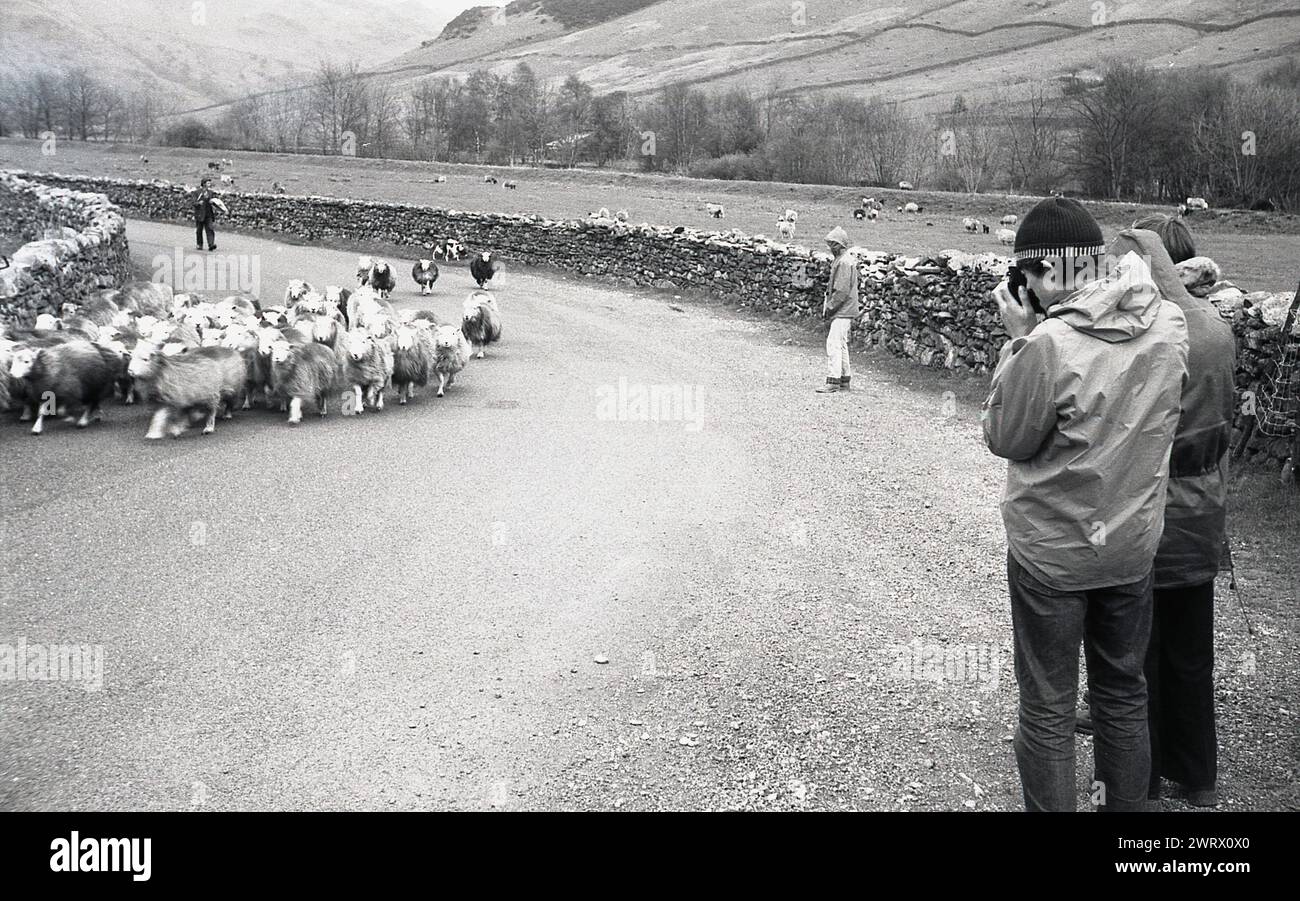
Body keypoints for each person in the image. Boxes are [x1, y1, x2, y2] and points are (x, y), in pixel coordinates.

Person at [981, 197, 1189, 811]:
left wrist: (1019, 344)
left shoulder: (1047, 342)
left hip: (1053, 553)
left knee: (1047, 707)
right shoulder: (1169, 324)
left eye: (1026, 276)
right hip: (1131, 549)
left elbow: (1007, 437)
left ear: (1046, 274)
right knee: (1123, 697)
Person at [1120, 216, 1236, 808]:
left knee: (1136, 656)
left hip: (1149, 510)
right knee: (1191, 650)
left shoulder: (1150, 334)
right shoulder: (1216, 328)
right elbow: (1225, 416)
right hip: (1204, 506)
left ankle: (1138, 781)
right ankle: (1198, 778)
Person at [816, 226, 859, 394]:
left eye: (833, 244)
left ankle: (833, 381)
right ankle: (844, 379)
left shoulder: (843, 262)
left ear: (841, 245)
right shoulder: (844, 260)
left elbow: (841, 291)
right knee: (841, 344)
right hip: (846, 308)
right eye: (830, 244)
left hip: (843, 308)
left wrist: (830, 307)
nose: (830, 247)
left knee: (833, 343)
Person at [193, 177, 228, 252]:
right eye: (208, 183)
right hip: (200, 214)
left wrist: (223, 209)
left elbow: (215, 202)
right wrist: (198, 203)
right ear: (204, 184)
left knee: (210, 229)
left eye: (209, 183)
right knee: (199, 230)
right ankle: (199, 244)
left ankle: (211, 244)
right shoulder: (196, 192)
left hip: (208, 214)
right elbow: (193, 203)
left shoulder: (211, 192)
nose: (209, 184)